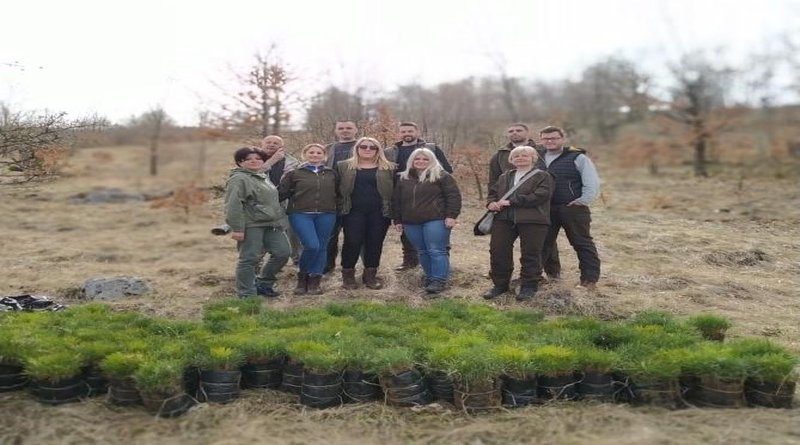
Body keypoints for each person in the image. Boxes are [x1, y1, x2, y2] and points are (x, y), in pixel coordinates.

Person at [483, 146, 554, 301]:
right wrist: (491, 203)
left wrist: (512, 201)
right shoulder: (504, 176)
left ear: (533, 158)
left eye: (525, 155)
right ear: (511, 159)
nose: (520, 158)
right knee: (498, 251)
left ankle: (529, 286)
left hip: (533, 219)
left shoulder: (543, 176)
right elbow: (493, 194)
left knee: (531, 254)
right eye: (516, 156)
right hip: (503, 219)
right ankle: (500, 285)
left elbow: (541, 195)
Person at [538, 126, 601, 289]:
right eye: (546, 138)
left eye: (554, 138)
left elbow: (591, 182)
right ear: (541, 140)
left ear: (562, 139)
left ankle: (589, 280)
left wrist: (582, 200)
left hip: (572, 208)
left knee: (581, 243)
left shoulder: (577, 157)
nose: (550, 141)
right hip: (545, 209)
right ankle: (537, 277)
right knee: (542, 243)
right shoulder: (537, 157)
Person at [385, 122, 454, 271]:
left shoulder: (431, 148)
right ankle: (409, 261)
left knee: (436, 239)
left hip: (430, 197)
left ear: (417, 132)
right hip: (403, 194)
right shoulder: (390, 152)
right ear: (399, 133)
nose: (406, 133)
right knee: (407, 233)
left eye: (410, 130)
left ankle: (442, 265)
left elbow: (447, 170)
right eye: (403, 131)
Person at [392, 148, 461, 295]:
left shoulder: (442, 176)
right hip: (410, 221)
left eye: (425, 159)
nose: (421, 161)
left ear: (432, 161)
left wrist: (451, 216)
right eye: (417, 159)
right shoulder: (403, 178)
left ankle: (439, 280)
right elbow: (397, 201)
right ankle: (430, 277)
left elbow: (453, 197)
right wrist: (397, 219)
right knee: (422, 251)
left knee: (436, 250)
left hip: (435, 219)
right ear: (412, 161)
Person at [224, 147, 291, 298]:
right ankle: (246, 294)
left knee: (283, 253)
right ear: (240, 163)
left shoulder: (261, 176)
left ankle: (264, 284)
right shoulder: (239, 179)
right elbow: (233, 205)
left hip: (272, 224)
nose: (254, 161)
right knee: (249, 258)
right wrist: (237, 228)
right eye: (248, 159)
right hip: (252, 224)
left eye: (258, 159)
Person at [279, 144, 339, 295]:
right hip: (300, 214)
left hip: (326, 214)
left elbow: (339, 193)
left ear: (324, 156)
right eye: (311, 152)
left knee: (322, 246)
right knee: (312, 245)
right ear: (304, 154)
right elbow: (280, 194)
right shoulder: (294, 173)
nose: (315, 155)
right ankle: (302, 277)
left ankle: (315, 281)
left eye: (319, 152)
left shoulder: (331, 173)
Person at [337, 137, 395, 289]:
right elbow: (335, 189)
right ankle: (348, 276)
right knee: (352, 242)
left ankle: (370, 276)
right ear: (357, 148)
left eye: (372, 147)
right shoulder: (343, 166)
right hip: (352, 211)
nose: (368, 149)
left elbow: (396, 191)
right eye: (363, 146)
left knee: (375, 243)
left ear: (378, 150)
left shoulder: (389, 167)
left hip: (380, 212)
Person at [324, 120, 359, 273]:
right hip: (331, 198)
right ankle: (327, 265)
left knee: (354, 236)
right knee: (330, 236)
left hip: (356, 197)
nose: (345, 131)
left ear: (355, 130)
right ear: (336, 130)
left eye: (349, 128)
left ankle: (351, 268)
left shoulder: (364, 146)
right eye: (341, 128)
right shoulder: (328, 149)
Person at [260, 135, 301, 263]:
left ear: (281, 147)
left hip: (285, 200)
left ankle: (297, 259)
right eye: (268, 142)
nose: (271, 145)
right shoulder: (254, 158)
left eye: (275, 143)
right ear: (262, 144)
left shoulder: (292, 161)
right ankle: (258, 261)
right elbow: (252, 174)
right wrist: (271, 161)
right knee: (262, 231)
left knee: (292, 231)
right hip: (261, 201)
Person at [488, 123, 541, 190]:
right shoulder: (500, 154)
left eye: (519, 131)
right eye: (511, 131)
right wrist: (492, 199)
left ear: (527, 133)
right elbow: (494, 180)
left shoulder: (541, 150)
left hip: (537, 193)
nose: (514, 133)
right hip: (509, 194)